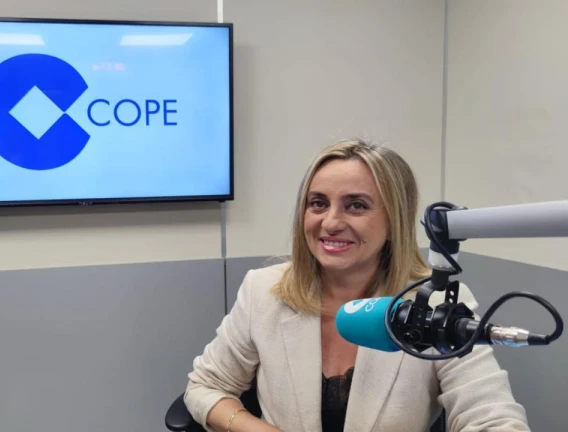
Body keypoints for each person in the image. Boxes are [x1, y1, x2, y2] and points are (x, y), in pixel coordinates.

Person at [184, 139, 529, 432]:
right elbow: (205, 387)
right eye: (318, 203)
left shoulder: (434, 305)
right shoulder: (264, 291)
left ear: (394, 220)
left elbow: (492, 417)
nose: (331, 222)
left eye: (356, 206)